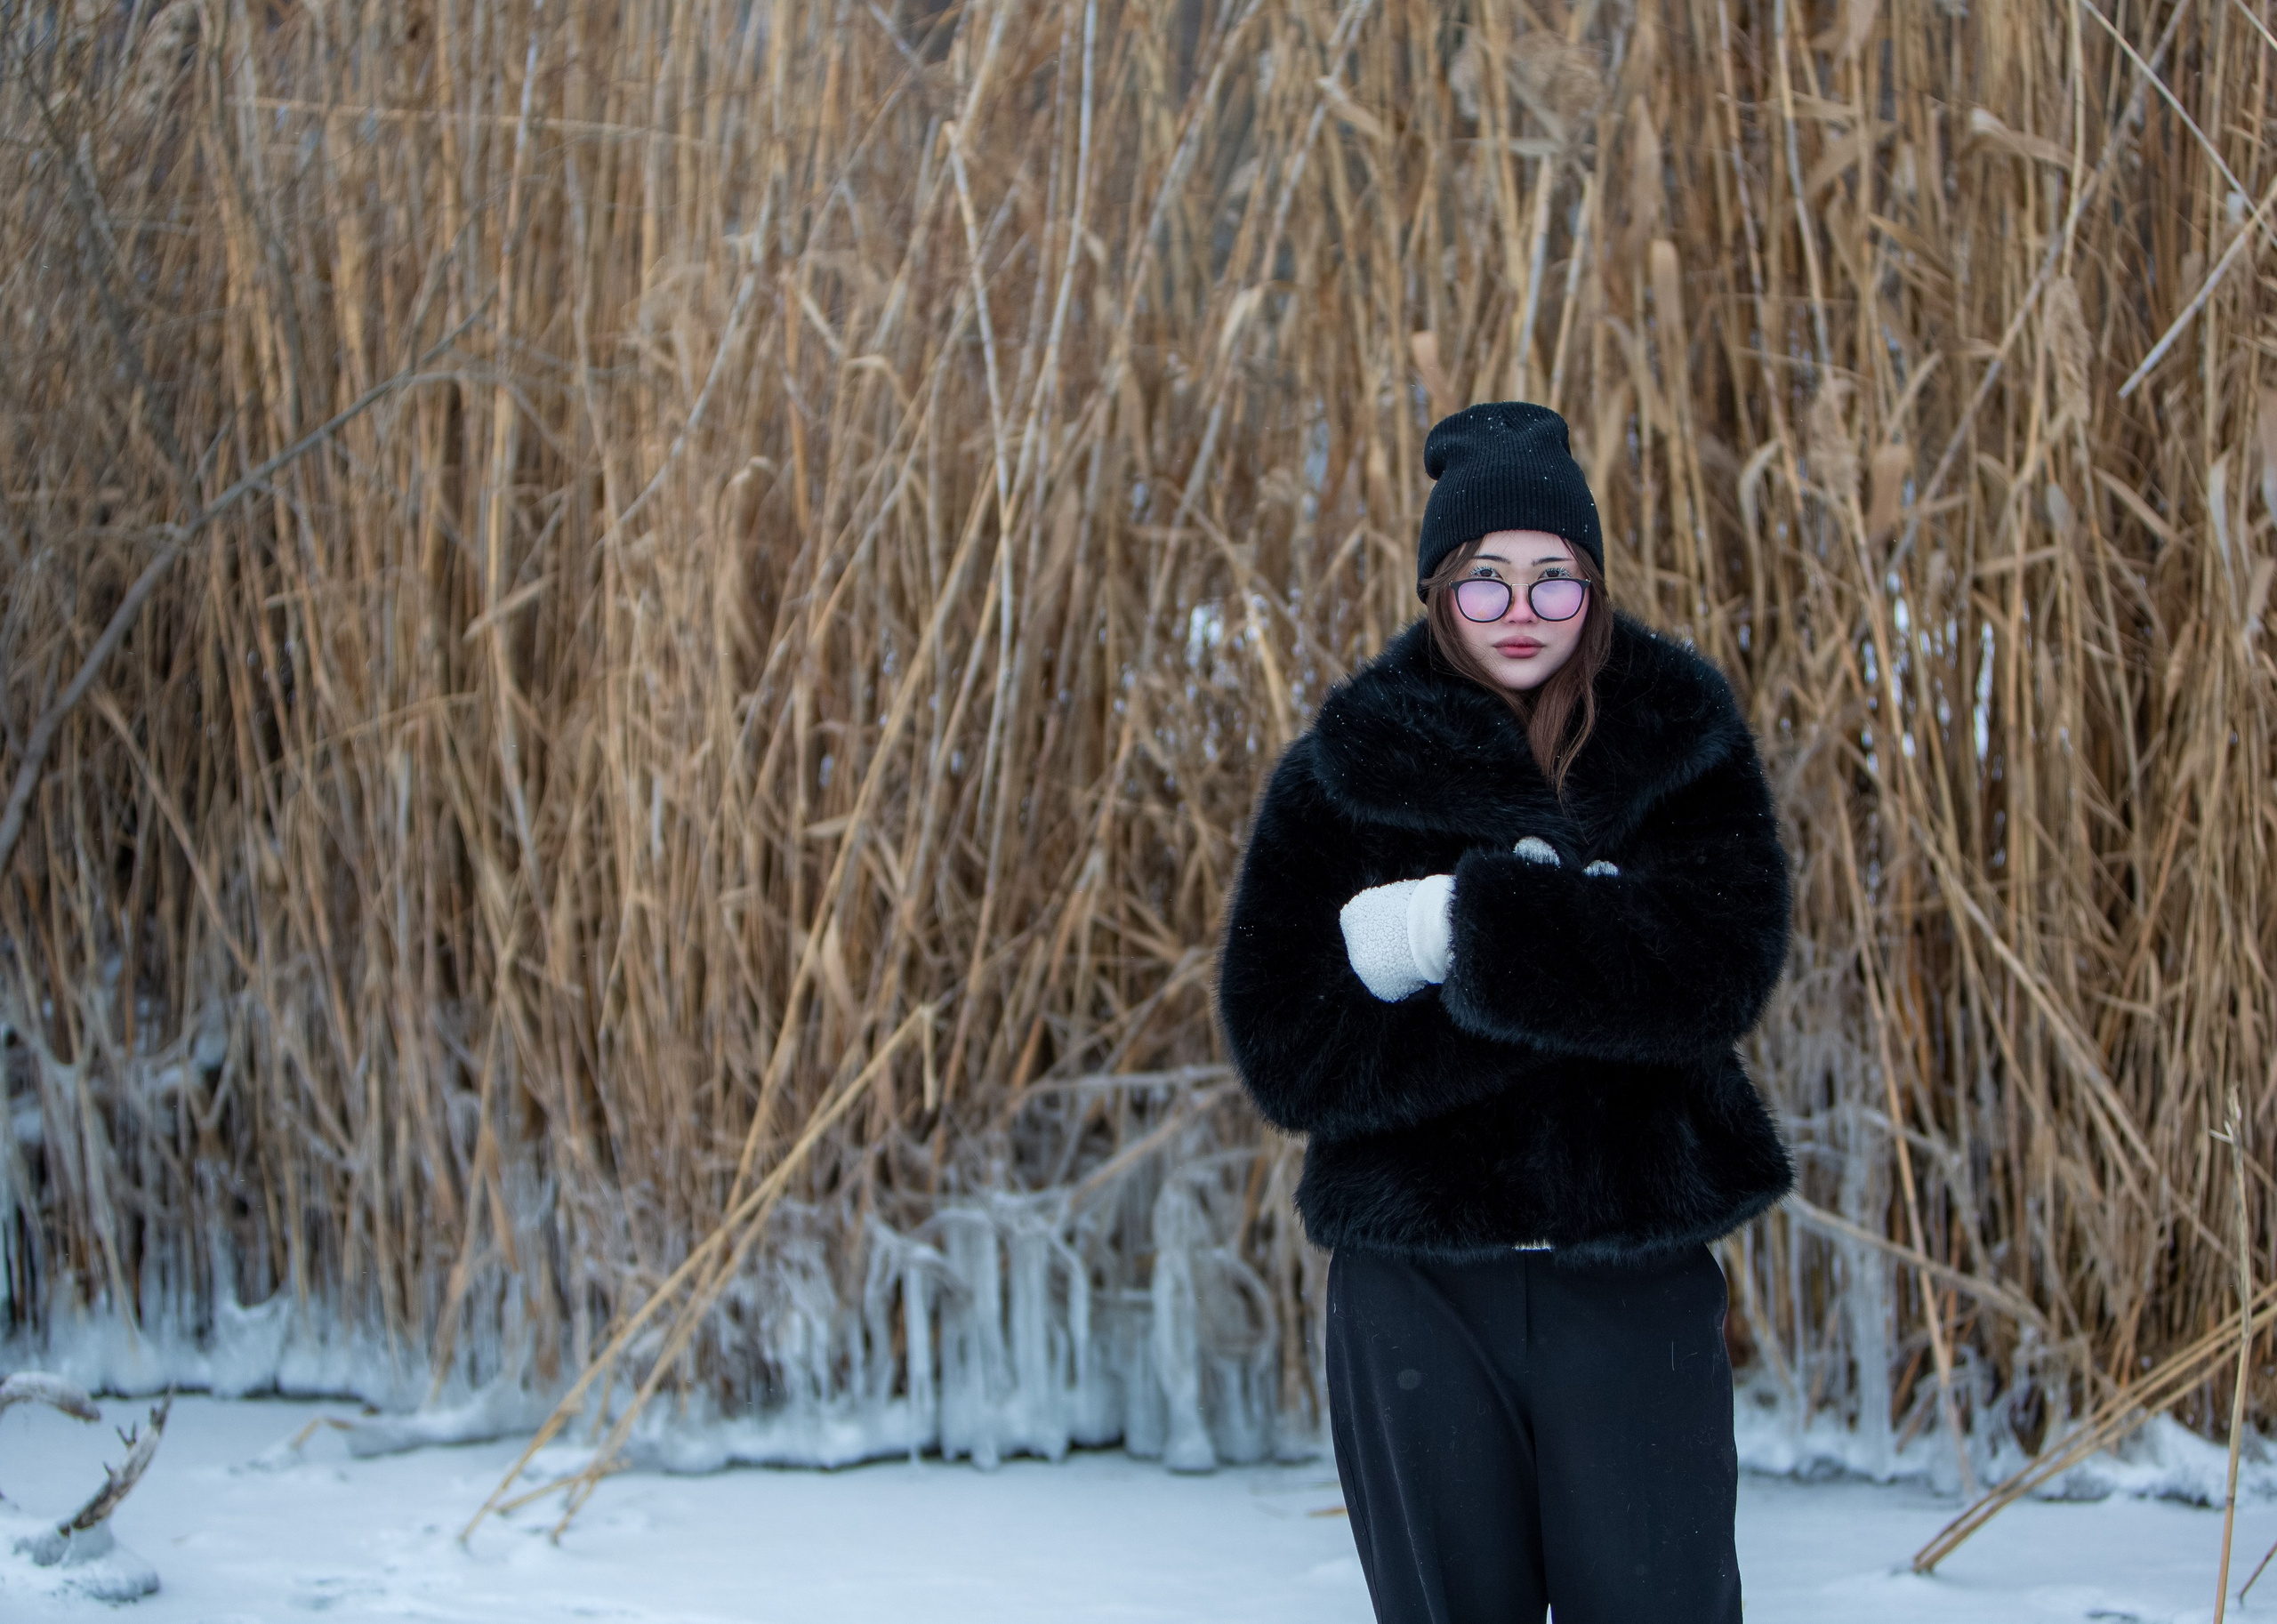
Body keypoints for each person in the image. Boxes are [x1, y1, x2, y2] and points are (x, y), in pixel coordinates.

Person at [1215, 401, 1793, 1623]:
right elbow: (1286, 1049)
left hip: (1632, 1273)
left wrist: (1452, 936)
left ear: (1592, 584)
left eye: (1553, 578)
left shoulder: (1676, 742)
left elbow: (1716, 970)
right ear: (1439, 590)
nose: (1521, 610)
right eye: (1484, 582)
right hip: (1417, 1284)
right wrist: (1564, 950)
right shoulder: (1339, 774)